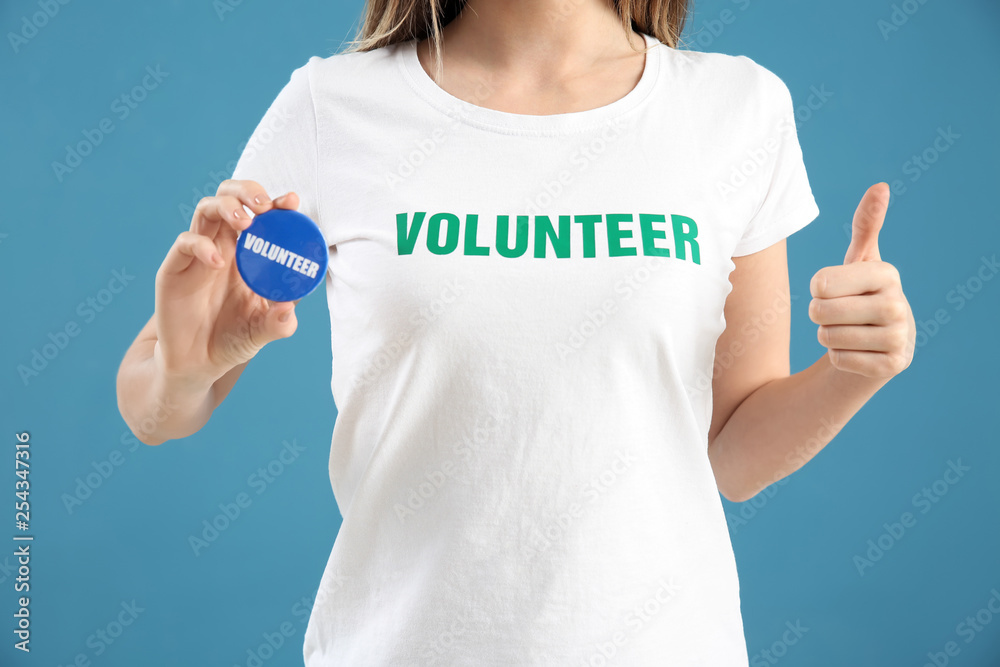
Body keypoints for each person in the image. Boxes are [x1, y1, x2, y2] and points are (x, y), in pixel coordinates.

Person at [116, 0, 916, 663]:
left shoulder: (736, 109)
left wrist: (855, 370)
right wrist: (186, 369)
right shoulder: (336, 106)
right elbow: (153, 405)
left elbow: (735, 453)